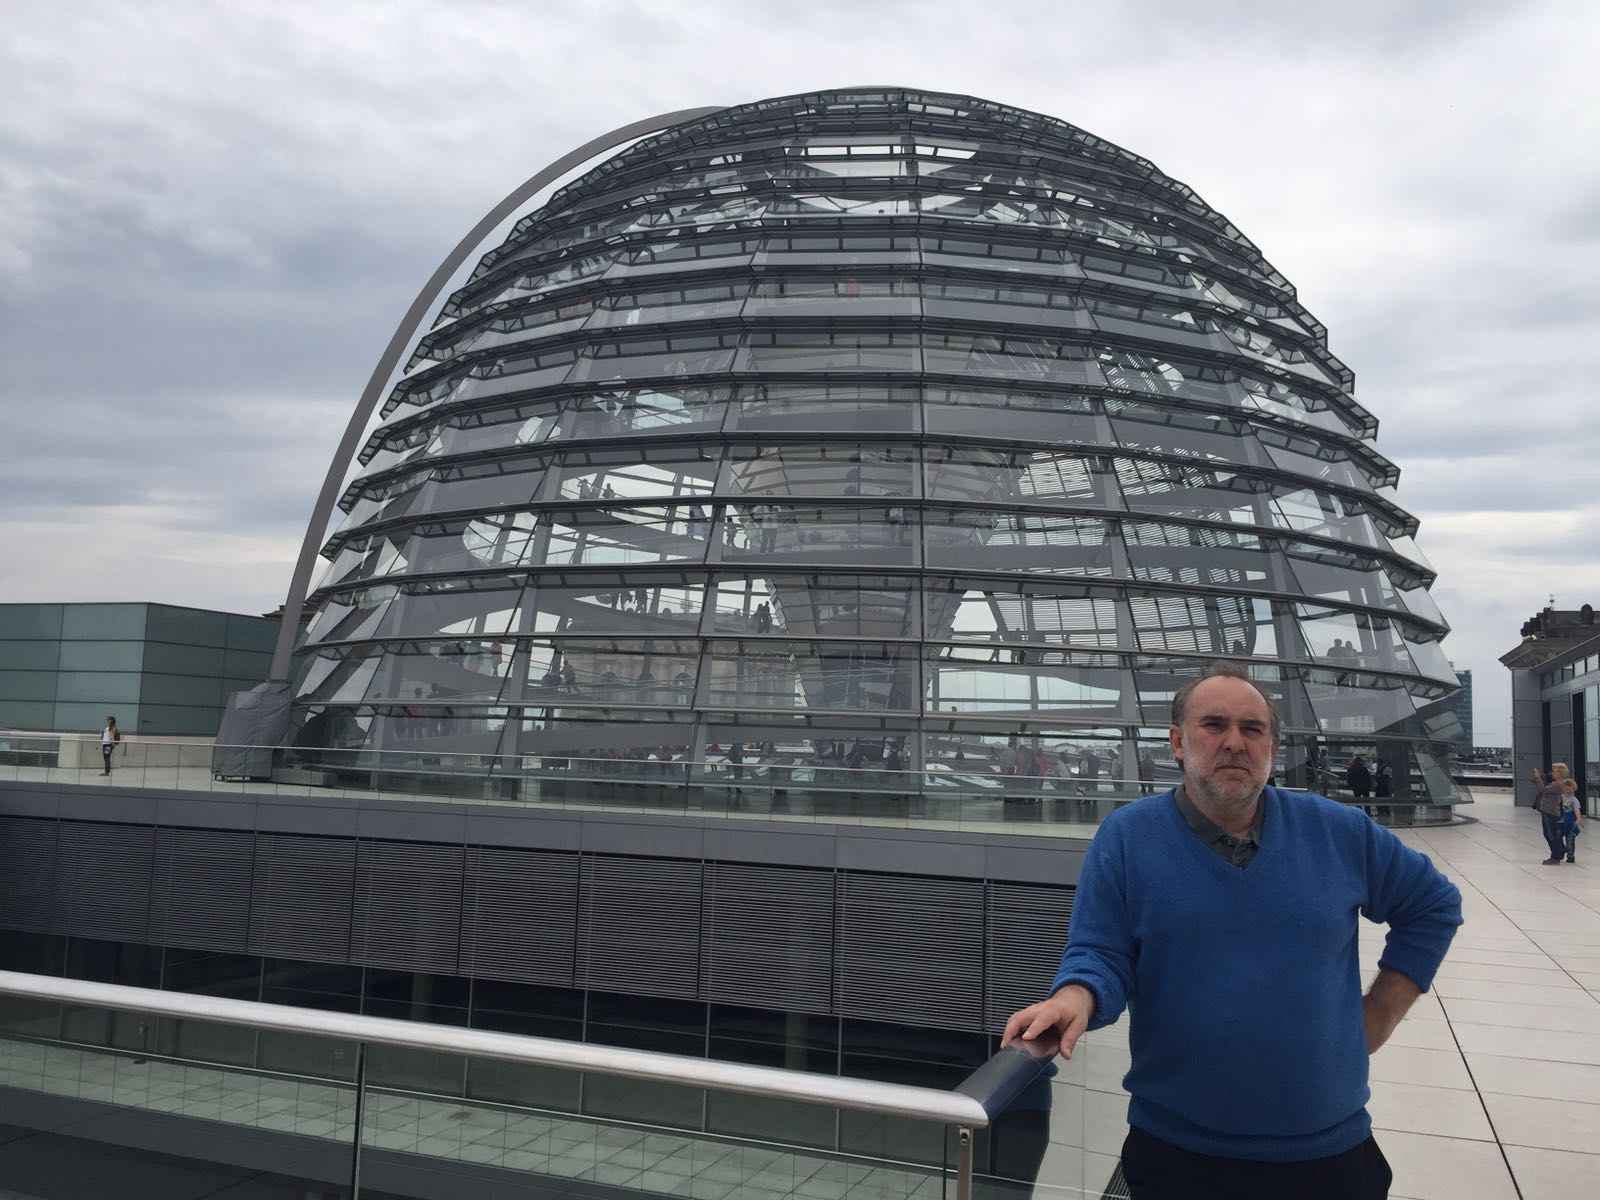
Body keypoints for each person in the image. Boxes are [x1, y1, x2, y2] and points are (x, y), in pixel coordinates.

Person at [1003, 662, 1461, 1199]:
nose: (1234, 743)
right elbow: (1100, 952)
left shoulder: (1337, 831)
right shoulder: (1127, 838)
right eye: (1214, 725)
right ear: (1177, 742)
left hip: (1327, 1153)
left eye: (1252, 729)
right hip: (1177, 1155)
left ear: (1272, 748)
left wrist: (1380, 1012)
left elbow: (1433, 904)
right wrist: (1075, 997)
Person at [1531, 765, 1570, 865]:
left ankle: (1555, 857)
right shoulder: (1555, 784)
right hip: (1547, 811)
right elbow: (1544, 788)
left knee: (1552, 835)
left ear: (1560, 773)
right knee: (1548, 834)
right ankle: (1558, 851)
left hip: (1551, 812)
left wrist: (1537, 778)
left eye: (1554, 771)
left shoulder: (1558, 785)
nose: (1552, 773)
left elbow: (1542, 790)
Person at [1559, 777, 1583, 864]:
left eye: (1570, 789)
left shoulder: (1574, 800)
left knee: (1570, 839)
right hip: (1561, 821)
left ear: (1574, 789)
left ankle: (1570, 855)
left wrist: (1578, 819)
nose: (1568, 790)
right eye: (1565, 788)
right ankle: (1562, 849)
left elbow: (1577, 810)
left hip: (1571, 822)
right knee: (1557, 836)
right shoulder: (1560, 797)